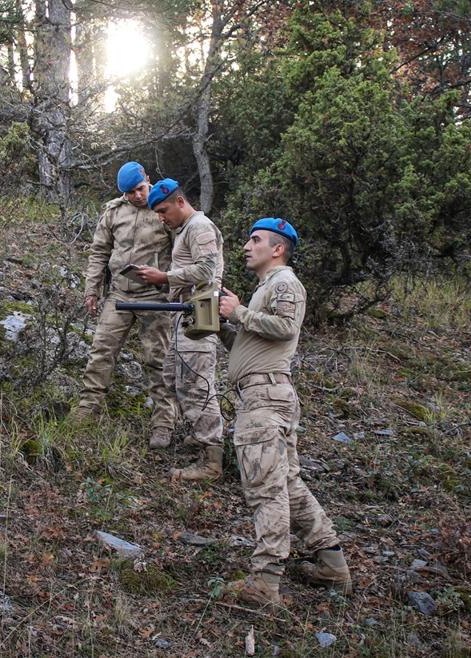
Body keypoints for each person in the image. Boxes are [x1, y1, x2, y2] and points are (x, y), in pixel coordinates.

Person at [215, 218, 351, 607]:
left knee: (265, 488)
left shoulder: (284, 283)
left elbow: (286, 327)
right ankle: (332, 564)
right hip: (264, 395)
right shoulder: (263, 290)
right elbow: (251, 343)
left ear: (277, 248)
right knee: (288, 484)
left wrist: (239, 311)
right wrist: (218, 325)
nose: (246, 246)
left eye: (254, 240)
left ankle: (265, 582)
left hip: (264, 400)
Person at [72, 162, 178, 449]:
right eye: (129, 192)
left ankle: (163, 422)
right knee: (101, 350)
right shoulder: (114, 211)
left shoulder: (165, 207)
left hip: (155, 297)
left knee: (158, 359)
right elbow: (99, 251)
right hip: (119, 293)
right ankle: (86, 409)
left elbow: (182, 252)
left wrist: (174, 287)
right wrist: (92, 290)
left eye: (140, 189)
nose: (136, 196)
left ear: (149, 180)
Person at [134, 179, 225, 480]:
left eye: (163, 210)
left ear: (180, 202)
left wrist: (164, 277)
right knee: (176, 377)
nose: (161, 218)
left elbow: (206, 270)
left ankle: (212, 459)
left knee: (197, 385)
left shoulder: (199, 226)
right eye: (157, 213)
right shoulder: (184, 229)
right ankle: (200, 435)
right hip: (183, 316)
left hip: (197, 315)